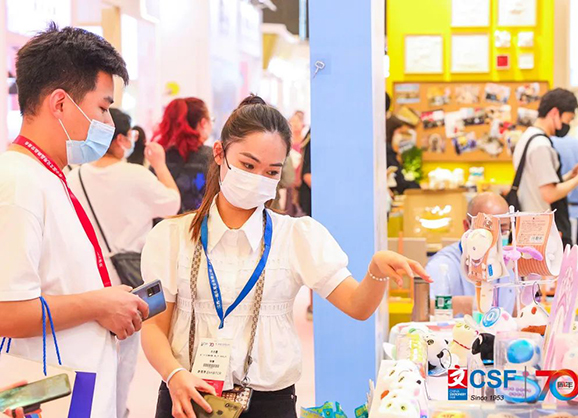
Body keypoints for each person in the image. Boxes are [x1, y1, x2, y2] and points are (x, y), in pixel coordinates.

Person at [140, 95, 430, 418]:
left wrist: (376, 270)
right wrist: (174, 374)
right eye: (248, 166)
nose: (257, 179)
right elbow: (153, 327)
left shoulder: (296, 236)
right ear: (219, 154)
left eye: (271, 171)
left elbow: (358, 306)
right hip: (185, 397)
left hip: (268, 405)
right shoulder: (171, 237)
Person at [0, 24, 149, 418]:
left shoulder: (49, 176)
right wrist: (98, 303)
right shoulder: (18, 184)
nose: (108, 124)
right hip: (45, 395)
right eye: (102, 108)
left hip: (72, 390)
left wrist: (106, 304)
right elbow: (6, 311)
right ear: (60, 103)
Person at [66, 108, 181, 418]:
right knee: (124, 358)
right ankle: (116, 410)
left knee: (89, 354)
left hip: (87, 281)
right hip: (129, 281)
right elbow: (172, 204)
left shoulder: (74, 177)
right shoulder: (136, 175)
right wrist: (159, 164)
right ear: (120, 139)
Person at [512, 88, 578, 247]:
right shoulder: (541, 145)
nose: (568, 125)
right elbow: (549, 194)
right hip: (541, 229)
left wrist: (570, 176)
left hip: (530, 225)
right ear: (555, 113)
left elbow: (539, 184)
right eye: (568, 119)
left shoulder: (527, 137)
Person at [426, 192, 516, 316]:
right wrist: (463, 305)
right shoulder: (443, 264)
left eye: (503, 229)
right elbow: (425, 309)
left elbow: (515, 308)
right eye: (489, 231)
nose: (497, 238)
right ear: (467, 226)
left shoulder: (508, 261)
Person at [153, 97, 214, 213]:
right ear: (203, 123)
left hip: (163, 224)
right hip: (200, 223)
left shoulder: (159, 158)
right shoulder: (212, 157)